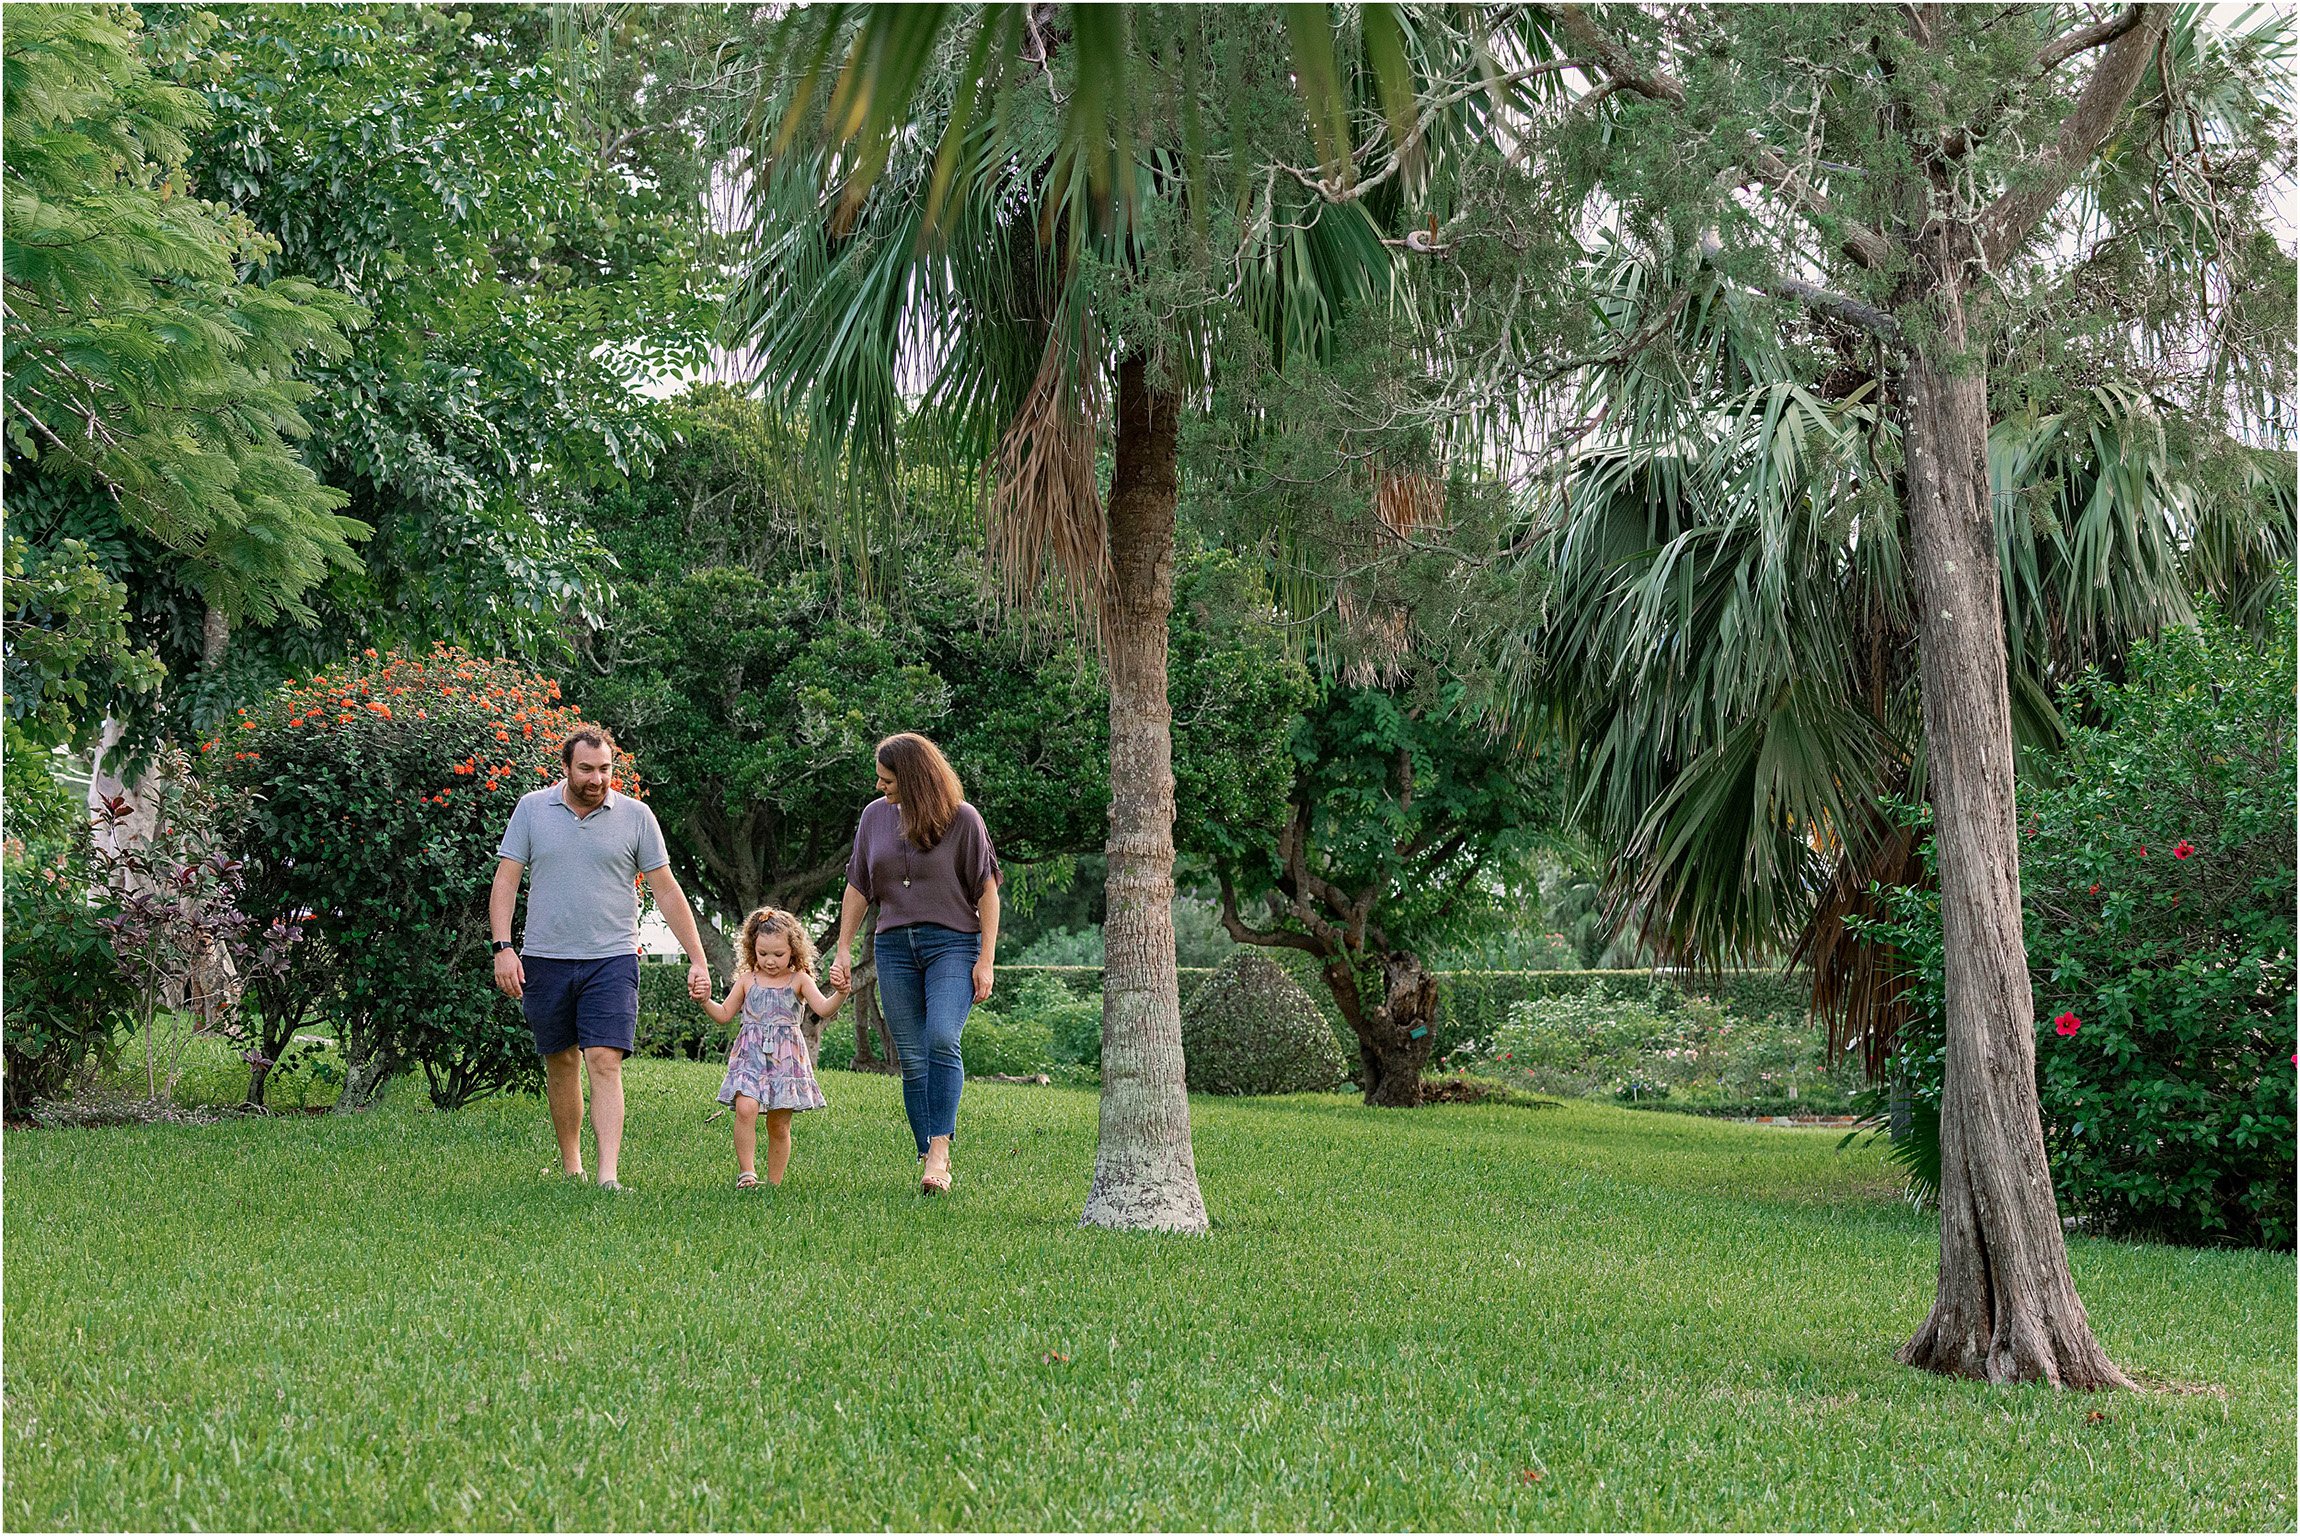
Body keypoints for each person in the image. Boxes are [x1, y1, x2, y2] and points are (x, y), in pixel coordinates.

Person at [489, 727, 713, 1191]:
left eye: (605, 769)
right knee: (561, 1061)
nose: (597, 779)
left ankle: (608, 1177)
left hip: (611, 958)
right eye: (587, 769)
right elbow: (506, 882)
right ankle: (573, 1166)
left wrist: (698, 957)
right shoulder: (532, 810)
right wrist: (503, 947)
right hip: (545, 958)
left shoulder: (636, 816)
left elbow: (666, 890)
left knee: (605, 1059)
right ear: (566, 768)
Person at [828, 732, 1001, 1195]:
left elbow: (987, 890)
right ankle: (928, 1156)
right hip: (894, 948)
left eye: (888, 779)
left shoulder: (963, 820)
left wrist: (986, 959)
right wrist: (843, 949)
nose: (880, 786)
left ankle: (941, 1149)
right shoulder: (873, 817)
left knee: (942, 1036)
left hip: (952, 944)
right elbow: (859, 886)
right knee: (912, 1055)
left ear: (915, 777)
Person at [695, 907, 845, 1189]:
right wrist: (705, 1001)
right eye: (763, 954)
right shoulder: (747, 980)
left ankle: (774, 1184)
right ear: (753, 950)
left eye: (778, 954)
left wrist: (841, 992)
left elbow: (823, 1008)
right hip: (750, 1056)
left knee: (778, 1125)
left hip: (785, 1061)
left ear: (793, 950)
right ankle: (747, 1174)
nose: (770, 961)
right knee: (746, 1107)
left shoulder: (798, 979)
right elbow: (725, 1013)